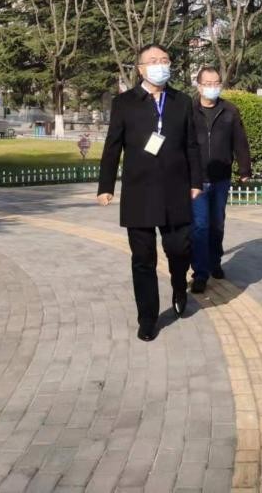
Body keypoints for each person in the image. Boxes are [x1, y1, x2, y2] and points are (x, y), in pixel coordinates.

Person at [97, 44, 203, 342]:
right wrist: (106, 186)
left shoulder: (182, 101)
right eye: (153, 61)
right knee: (143, 258)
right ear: (141, 69)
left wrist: (196, 182)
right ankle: (147, 317)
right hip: (139, 192)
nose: (160, 65)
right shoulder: (125, 103)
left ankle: (179, 285)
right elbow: (112, 146)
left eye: (164, 60)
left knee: (179, 249)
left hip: (176, 190)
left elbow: (192, 144)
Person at [190, 66, 253, 293]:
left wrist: (244, 168)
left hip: (221, 178)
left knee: (217, 224)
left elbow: (240, 141)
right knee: (200, 225)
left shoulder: (229, 110)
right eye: (207, 83)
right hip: (196, 180)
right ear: (199, 86)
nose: (212, 87)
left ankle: (214, 261)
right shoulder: (189, 110)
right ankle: (200, 273)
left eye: (216, 83)